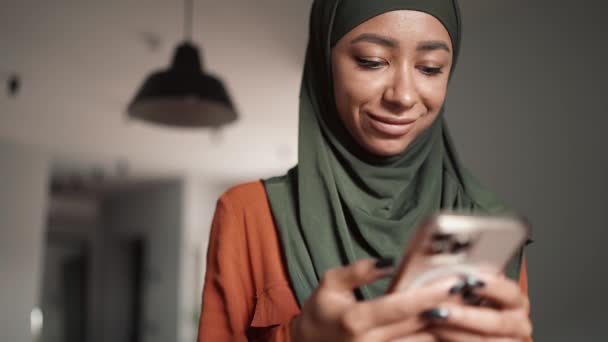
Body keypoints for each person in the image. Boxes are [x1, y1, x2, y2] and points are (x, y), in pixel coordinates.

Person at [197, 0, 532, 341]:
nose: (402, 96)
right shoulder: (249, 213)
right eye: (372, 62)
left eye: (430, 68)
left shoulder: (482, 220)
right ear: (325, 63)